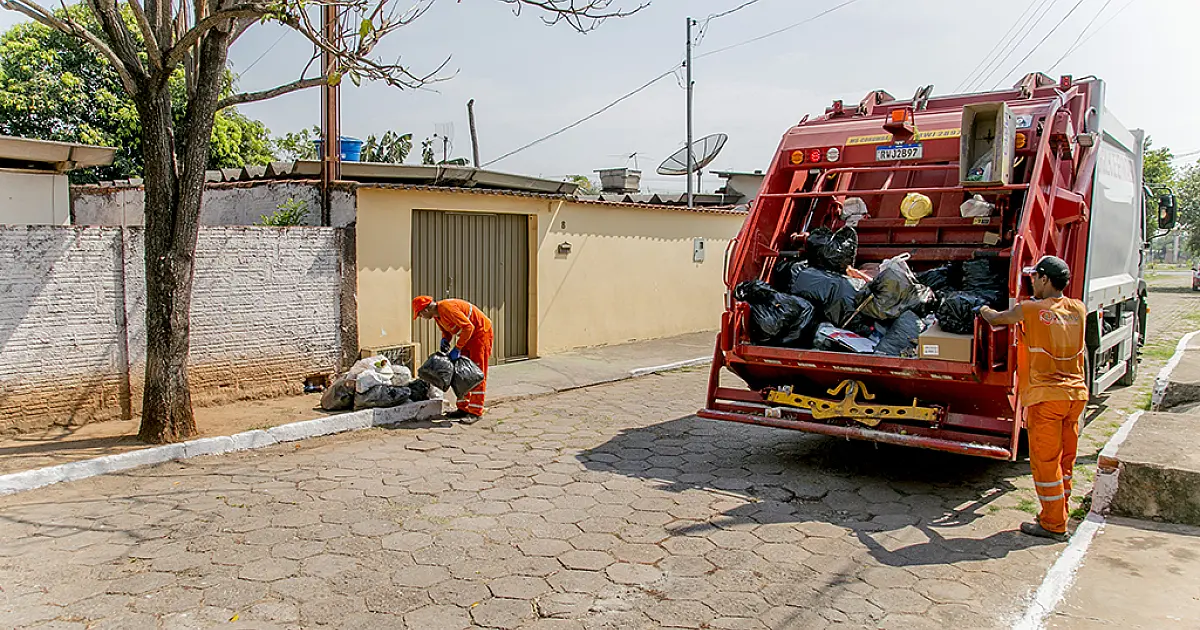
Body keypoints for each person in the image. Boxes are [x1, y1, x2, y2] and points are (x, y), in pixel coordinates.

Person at [980, 256, 1089, 542]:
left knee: (1046, 463)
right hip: (1075, 395)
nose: (1031, 282)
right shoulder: (1079, 309)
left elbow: (996, 319)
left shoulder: (1030, 309)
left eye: (1034, 278)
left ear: (1044, 279)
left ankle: (1053, 524)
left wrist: (981, 307)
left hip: (1046, 398)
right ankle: (1060, 511)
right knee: (1066, 460)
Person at [412, 296, 493, 423]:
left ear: (425, 310)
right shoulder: (437, 316)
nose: (421, 317)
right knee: (462, 373)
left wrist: (458, 348)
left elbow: (468, 327)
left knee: (476, 373)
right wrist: (445, 340)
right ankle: (463, 408)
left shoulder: (446, 308)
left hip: (480, 335)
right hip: (468, 337)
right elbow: (448, 332)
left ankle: (475, 412)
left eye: (420, 314)